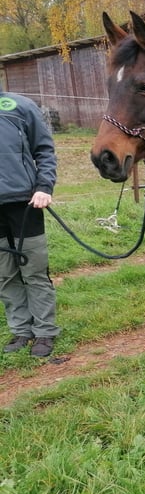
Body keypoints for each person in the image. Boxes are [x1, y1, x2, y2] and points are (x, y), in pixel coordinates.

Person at [0, 91, 60, 357]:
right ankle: (21, 330)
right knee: (5, 273)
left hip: (26, 203)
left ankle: (45, 332)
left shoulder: (20, 106)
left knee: (34, 270)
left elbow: (44, 149)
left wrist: (44, 186)